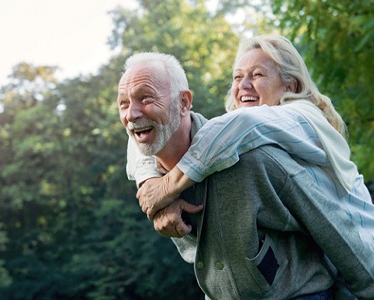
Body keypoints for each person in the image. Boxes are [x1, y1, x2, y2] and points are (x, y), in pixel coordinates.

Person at [118, 51, 374, 299]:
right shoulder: (151, 158)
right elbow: (138, 140)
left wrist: (167, 188)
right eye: (124, 103)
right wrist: (153, 184)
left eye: (147, 98)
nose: (132, 113)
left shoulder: (258, 154)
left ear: (184, 103)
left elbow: (330, 223)